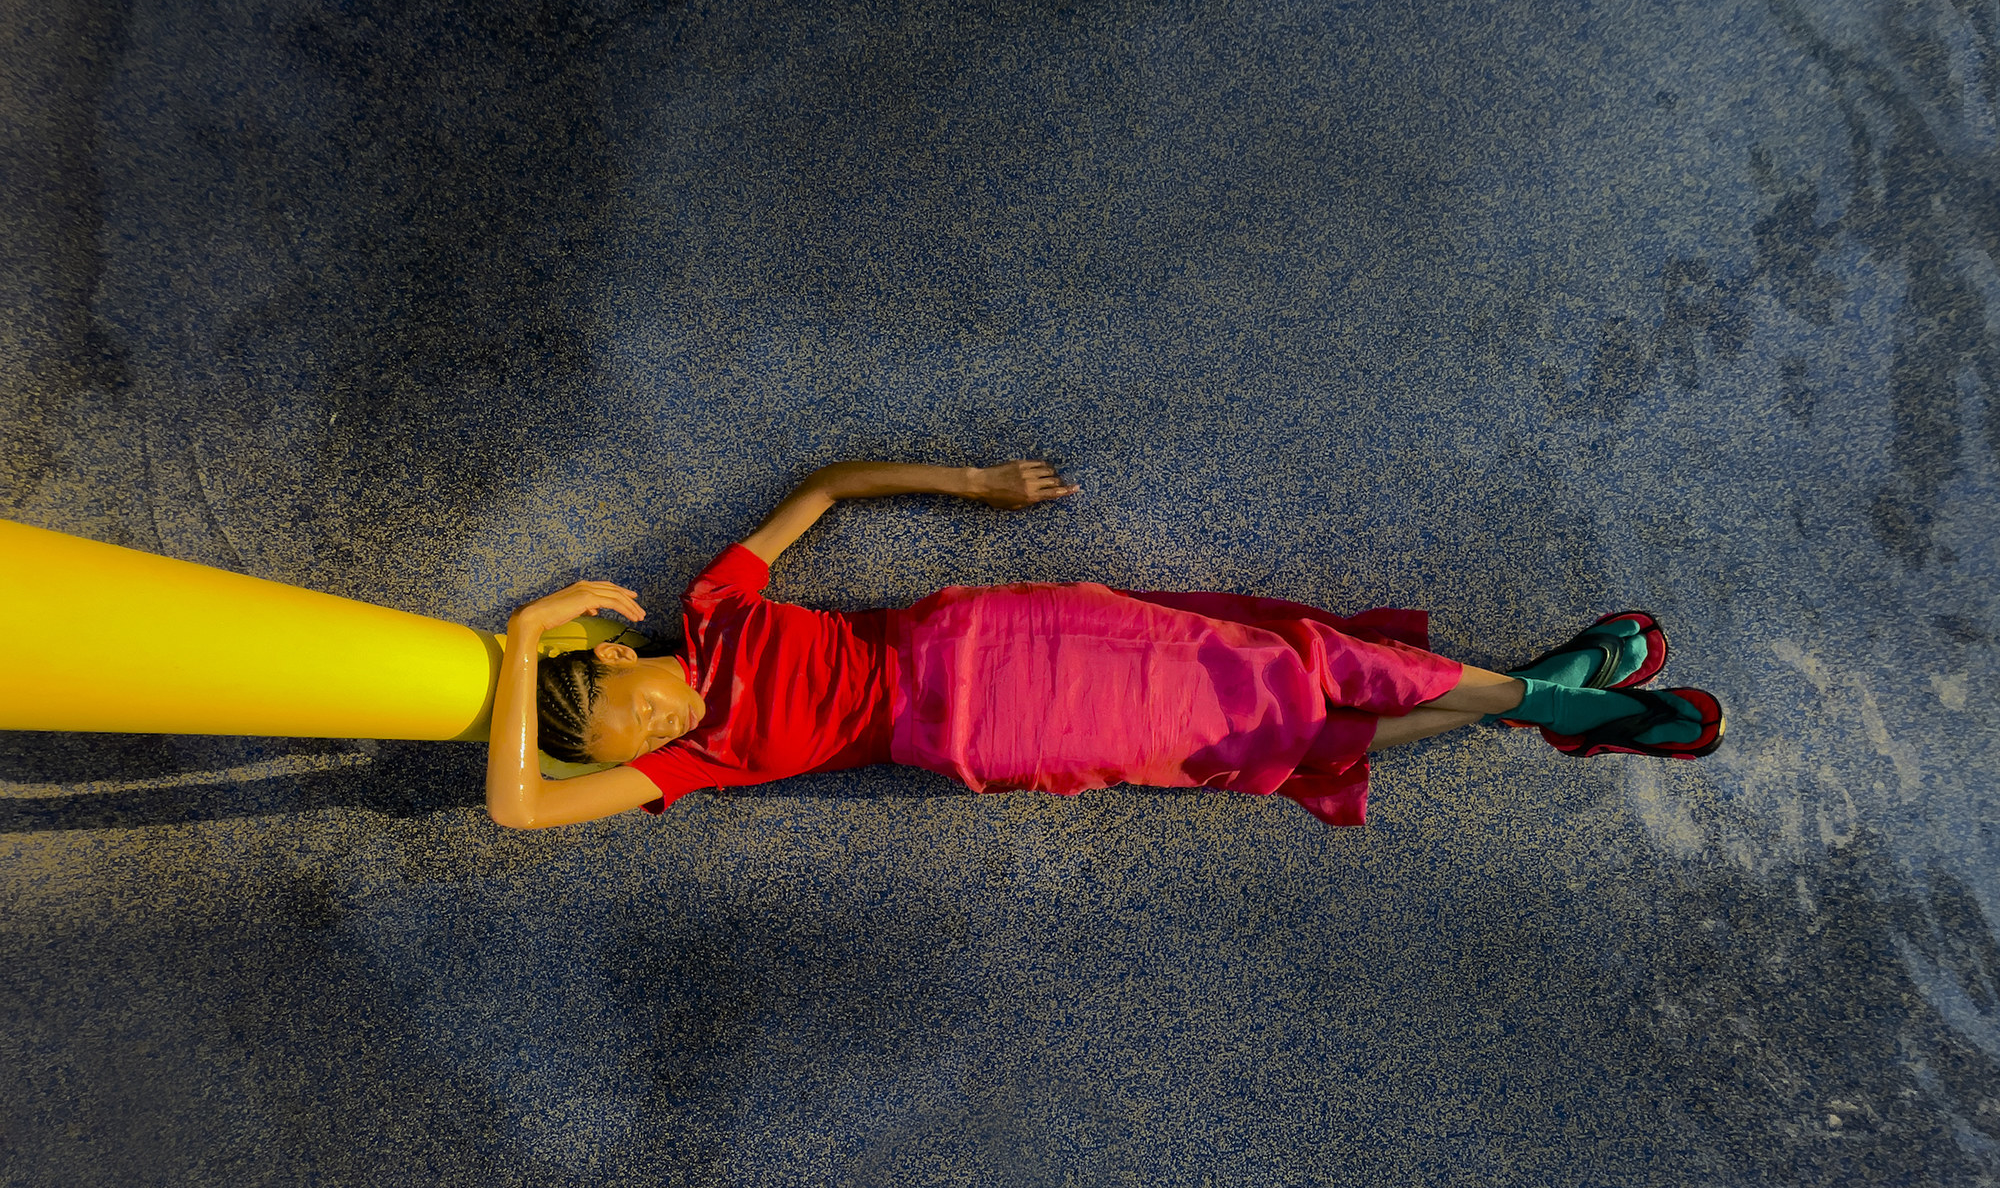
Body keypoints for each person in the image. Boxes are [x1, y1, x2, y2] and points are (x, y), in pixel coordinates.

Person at [484, 459, 1723, 830]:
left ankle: (1546, 699)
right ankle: (1547, 700)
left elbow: (823, 491)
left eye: (623, 703)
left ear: (616, 647)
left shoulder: (714, 608)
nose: (652, 729)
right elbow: (521, 813)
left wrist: (970, 486)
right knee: (1263, 726)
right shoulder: (702, 767)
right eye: (627, 746)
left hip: (1007, 633)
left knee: (1266, 660)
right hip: (994, 731)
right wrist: (524, 632)